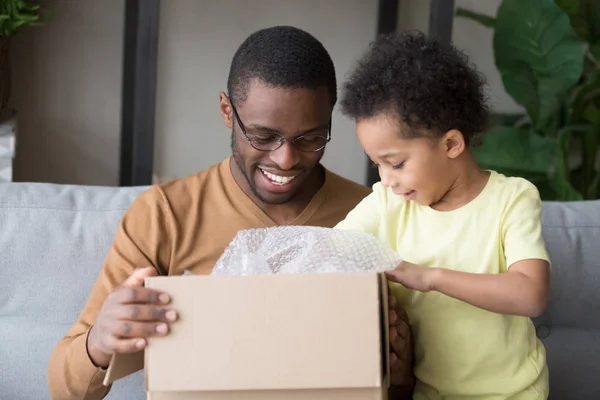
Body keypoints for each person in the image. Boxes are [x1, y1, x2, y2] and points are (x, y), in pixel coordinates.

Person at [47, 26, 415, 399]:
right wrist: (100, 342)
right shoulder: (165, 215)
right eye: (263, 136)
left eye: (310, 138)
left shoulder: (373, 213)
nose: (285, 159)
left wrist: (399, 374)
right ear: (227, 111)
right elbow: (65, 390)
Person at [335, 31, 551, 399]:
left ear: (451, 143)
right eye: (377, 166)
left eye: (396, 163)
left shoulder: (511, 199)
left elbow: (530, 293)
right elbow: (328, 249)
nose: (386, 180)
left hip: (514, 393)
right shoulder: (388, 203)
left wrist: (428, 276)